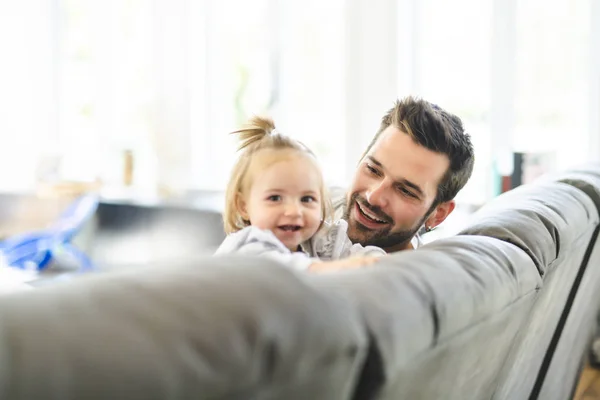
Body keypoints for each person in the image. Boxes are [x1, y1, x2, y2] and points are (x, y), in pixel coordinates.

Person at [214, 116, 385, 271]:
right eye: (275, 198)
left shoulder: (319, 237)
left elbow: (358, 254)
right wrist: (336, 269)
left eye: (307, 199)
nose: (294, 211)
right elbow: (286, 271)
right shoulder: (246, 246)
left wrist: (377, 262)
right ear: (243, 206)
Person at [336, 96, 475, 252]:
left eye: (405, 191)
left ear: (438, 214)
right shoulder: (314, 204)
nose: (373, 197)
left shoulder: (414, 275)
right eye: (373, 169)